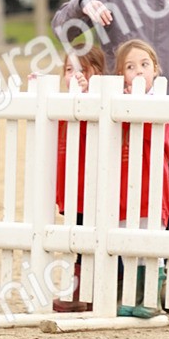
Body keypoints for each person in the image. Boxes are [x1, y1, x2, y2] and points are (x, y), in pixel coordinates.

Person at [113, 38, 169, 317]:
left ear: (155, 69)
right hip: (124, 191)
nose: (138, 71)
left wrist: (139, 113)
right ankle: (131, 297)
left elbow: (165, 146)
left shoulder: (162, 104)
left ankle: (150, 298)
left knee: (151, 243)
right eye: (130, 67)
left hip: (151, 190)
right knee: (127, 244)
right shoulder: (116, 104)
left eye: (144, 65)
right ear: (121, 75)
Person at [52, 44, 105, 312]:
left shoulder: (100, 104)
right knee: (76, 235)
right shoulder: (63, 104)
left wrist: (87, 95)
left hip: (90, 186)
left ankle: (83, 289)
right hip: (71, 186)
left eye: (82, 69)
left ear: (98, 73)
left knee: (88, 238)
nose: (75, 75)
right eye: (69, 69)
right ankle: (82, 288)